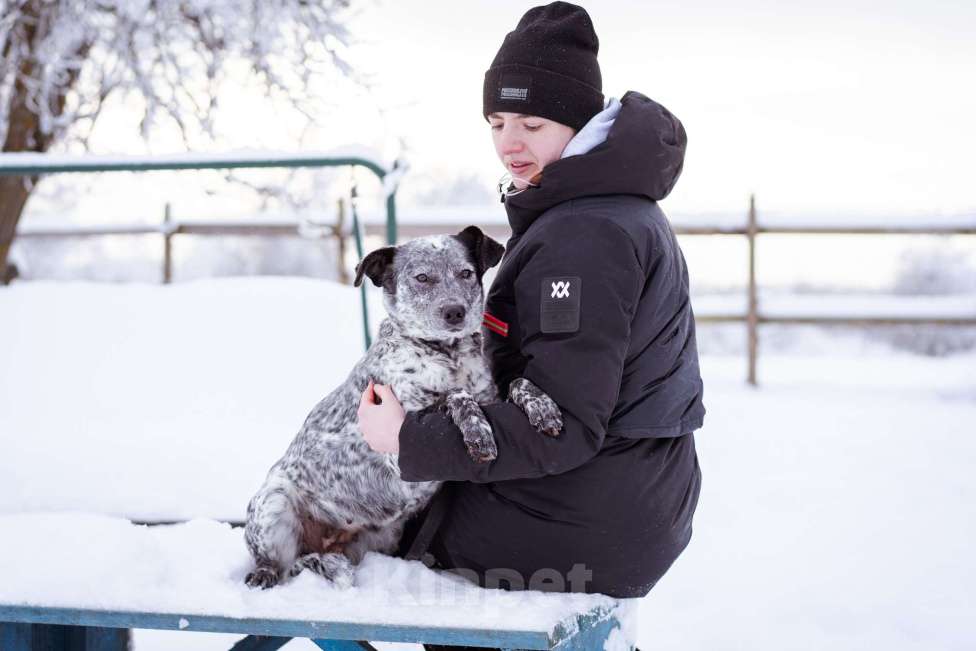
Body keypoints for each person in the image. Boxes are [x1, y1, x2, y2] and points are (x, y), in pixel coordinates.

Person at [357, 0, 704, 624]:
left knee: (379, 547)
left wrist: (405, 438)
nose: (509, 144)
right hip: (630, 500)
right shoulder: (609, 209)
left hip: (579, 519)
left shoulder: (585, 236)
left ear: (578, 120)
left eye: (533, 123)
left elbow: (561, 425)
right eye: (496, 122)